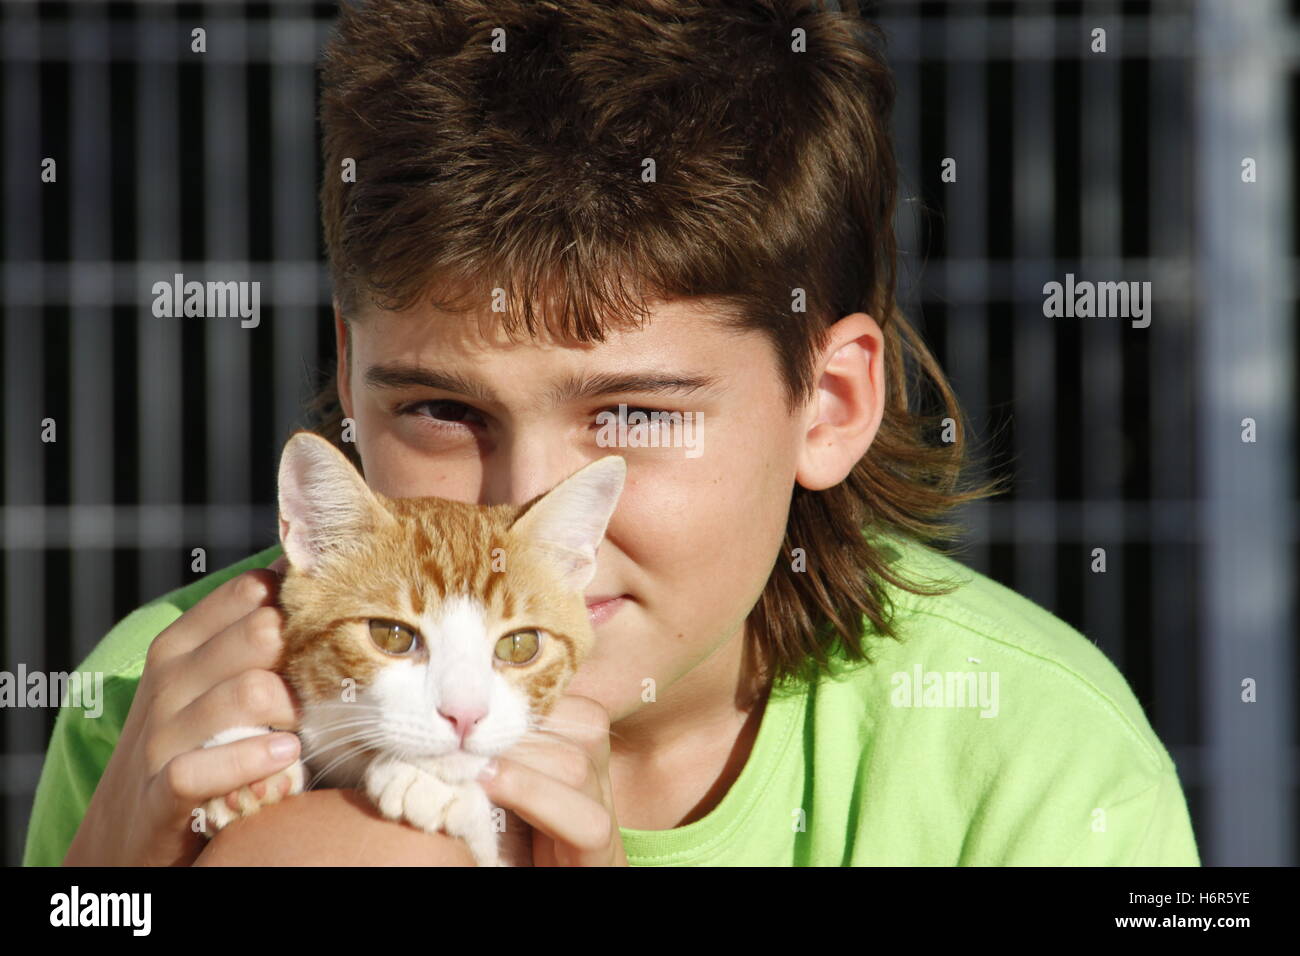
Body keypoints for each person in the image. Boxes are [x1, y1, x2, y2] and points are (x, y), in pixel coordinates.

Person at [25, 0, 1198, 866]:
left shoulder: (1028, 755)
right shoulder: (168, 698)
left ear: (829, 403)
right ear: (347, 375)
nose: (522, 500)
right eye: (442, 408)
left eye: (632, 414)